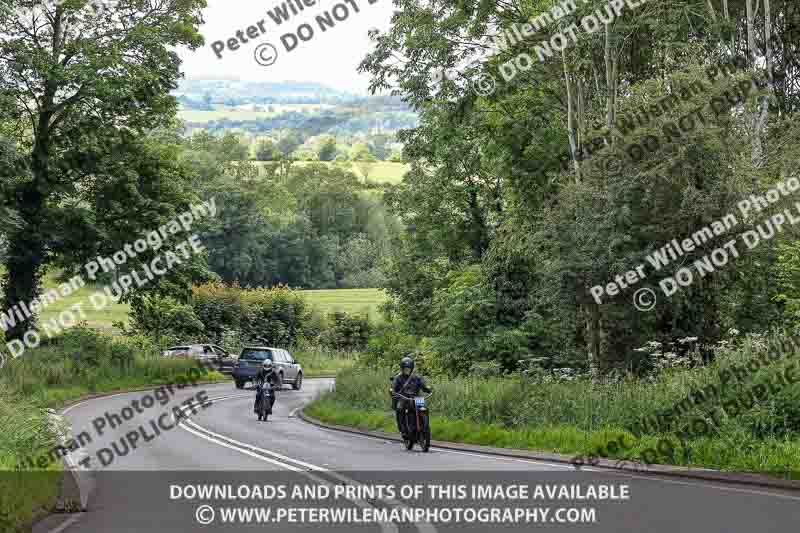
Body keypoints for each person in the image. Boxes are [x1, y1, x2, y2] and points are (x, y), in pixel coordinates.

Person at [389, 356, 432, 438]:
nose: (407, 370)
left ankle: (425, 427)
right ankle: (403, 430)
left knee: (424, 409)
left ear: (412, 368)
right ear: (402, 368)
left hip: (416, 397)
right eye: (405, 368)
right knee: (400, 408)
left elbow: (424, 386)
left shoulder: (417, 377)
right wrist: (392, 391)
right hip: (404, 398)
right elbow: (393, 387)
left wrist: (428, 389)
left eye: (408, 368)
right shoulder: (398, 378)